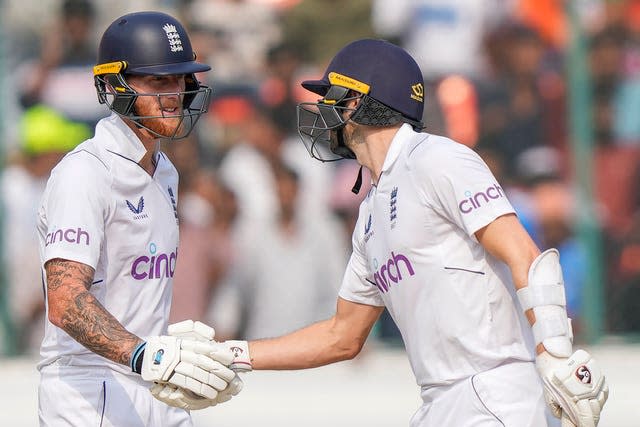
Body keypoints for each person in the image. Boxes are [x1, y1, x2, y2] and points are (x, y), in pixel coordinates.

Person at [211, 39, 609, 426]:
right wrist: (229, 354)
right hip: (440, 400)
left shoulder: (438, 158)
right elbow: (341, 335)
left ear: (359, 102)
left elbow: (526, 256)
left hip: (500, 391)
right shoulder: (370, 211)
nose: (323, 109)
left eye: (332, 96)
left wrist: (555, 356)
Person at [36, 11, 240, 427]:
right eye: (158, 81)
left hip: (153, 384)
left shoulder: (165, 171)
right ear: (113, 85)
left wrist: (163, 346)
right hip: (88, 391)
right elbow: (65, 301)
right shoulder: (86, 173)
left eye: (181, 80)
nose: (175, 95)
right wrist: (147, 354)